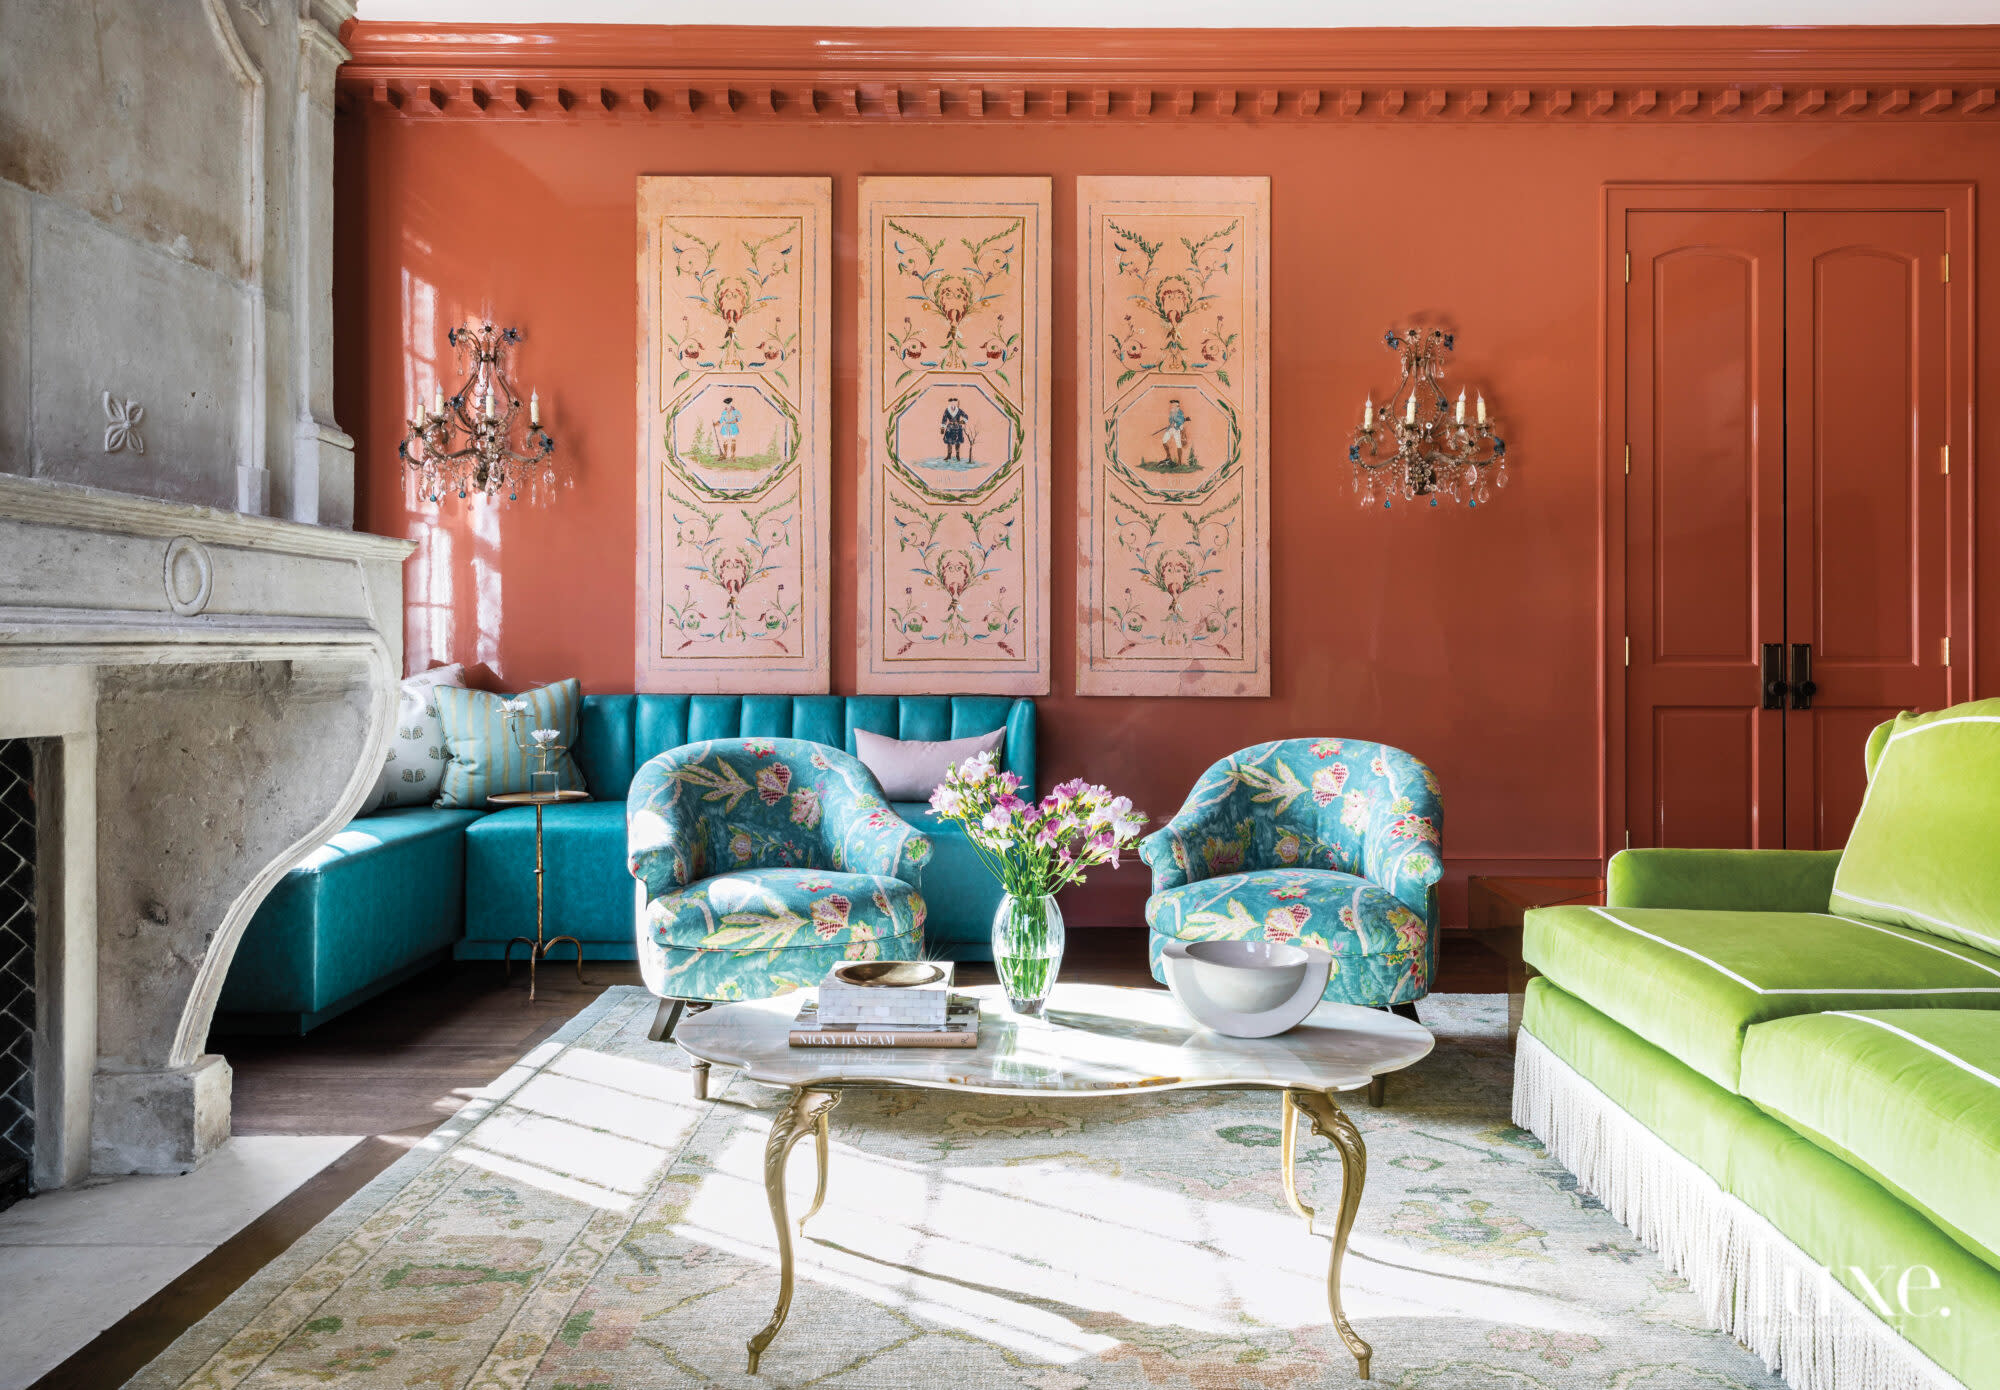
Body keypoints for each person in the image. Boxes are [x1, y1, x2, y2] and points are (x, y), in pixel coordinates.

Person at [1159, 398, 1188, 467]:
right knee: (1164, 441)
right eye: (1172, 405)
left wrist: (1175, 424)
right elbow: (1170, 420)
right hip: (1170, 428)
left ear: (1177, 406)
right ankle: (1168, 456)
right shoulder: (1171, 412)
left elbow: (1181, 421)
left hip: (1177, 429)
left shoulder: (1180, 412)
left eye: (1173, 405)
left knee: (1178, 445)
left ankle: (1179, 462)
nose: (1172, 406)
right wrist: (1171, 424)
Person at [940, 397, 969, 462]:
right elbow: (944, 419)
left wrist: (962, 421)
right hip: (949, 428)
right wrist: (942, 427)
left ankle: (957, 455)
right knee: (949, 442)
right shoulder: (947, 410)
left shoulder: (959, 410)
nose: (953, 403)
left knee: (957, 442)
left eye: (954, 402)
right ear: (950, 403)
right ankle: (949, 455)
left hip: (957, 427)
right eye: (951, 402)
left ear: (956, 403)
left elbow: (966, 416)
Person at [716, 396, 741, 461]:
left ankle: (733, 455)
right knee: (725, 441)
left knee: (733, 441)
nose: (728, 405)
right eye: (727, 404)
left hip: (733, 427)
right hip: (725, 427)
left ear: (731, 403)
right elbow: (721, 420)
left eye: (729, 403)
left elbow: (740, 417)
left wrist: (735, 420)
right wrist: (717, 423)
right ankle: (725, 455)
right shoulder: (724, 412)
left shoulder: (735, 411)